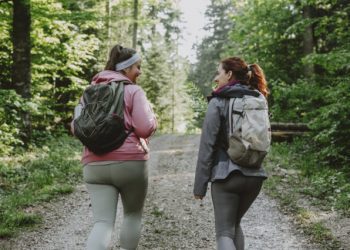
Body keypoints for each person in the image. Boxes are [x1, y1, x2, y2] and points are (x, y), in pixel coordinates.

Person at [72, 44, 157, 250]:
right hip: (130, 163)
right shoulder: (133, 90)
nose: (140, 71)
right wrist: (153, 120)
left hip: (94, 165)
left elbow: (76, 128)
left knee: (102, 223)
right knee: (132, 215)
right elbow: (145, 128)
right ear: (125, 69)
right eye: (137, 66)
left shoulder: (90, 92)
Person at [193, 56, 269, 250]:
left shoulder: (218, 101)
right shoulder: (256, 98)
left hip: (226, 176)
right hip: (255, 176)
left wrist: (200, 186)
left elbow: (207, 146)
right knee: (235, 225)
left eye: (218, 73)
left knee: (224, 232)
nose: (215, 78)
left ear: (229, 74)